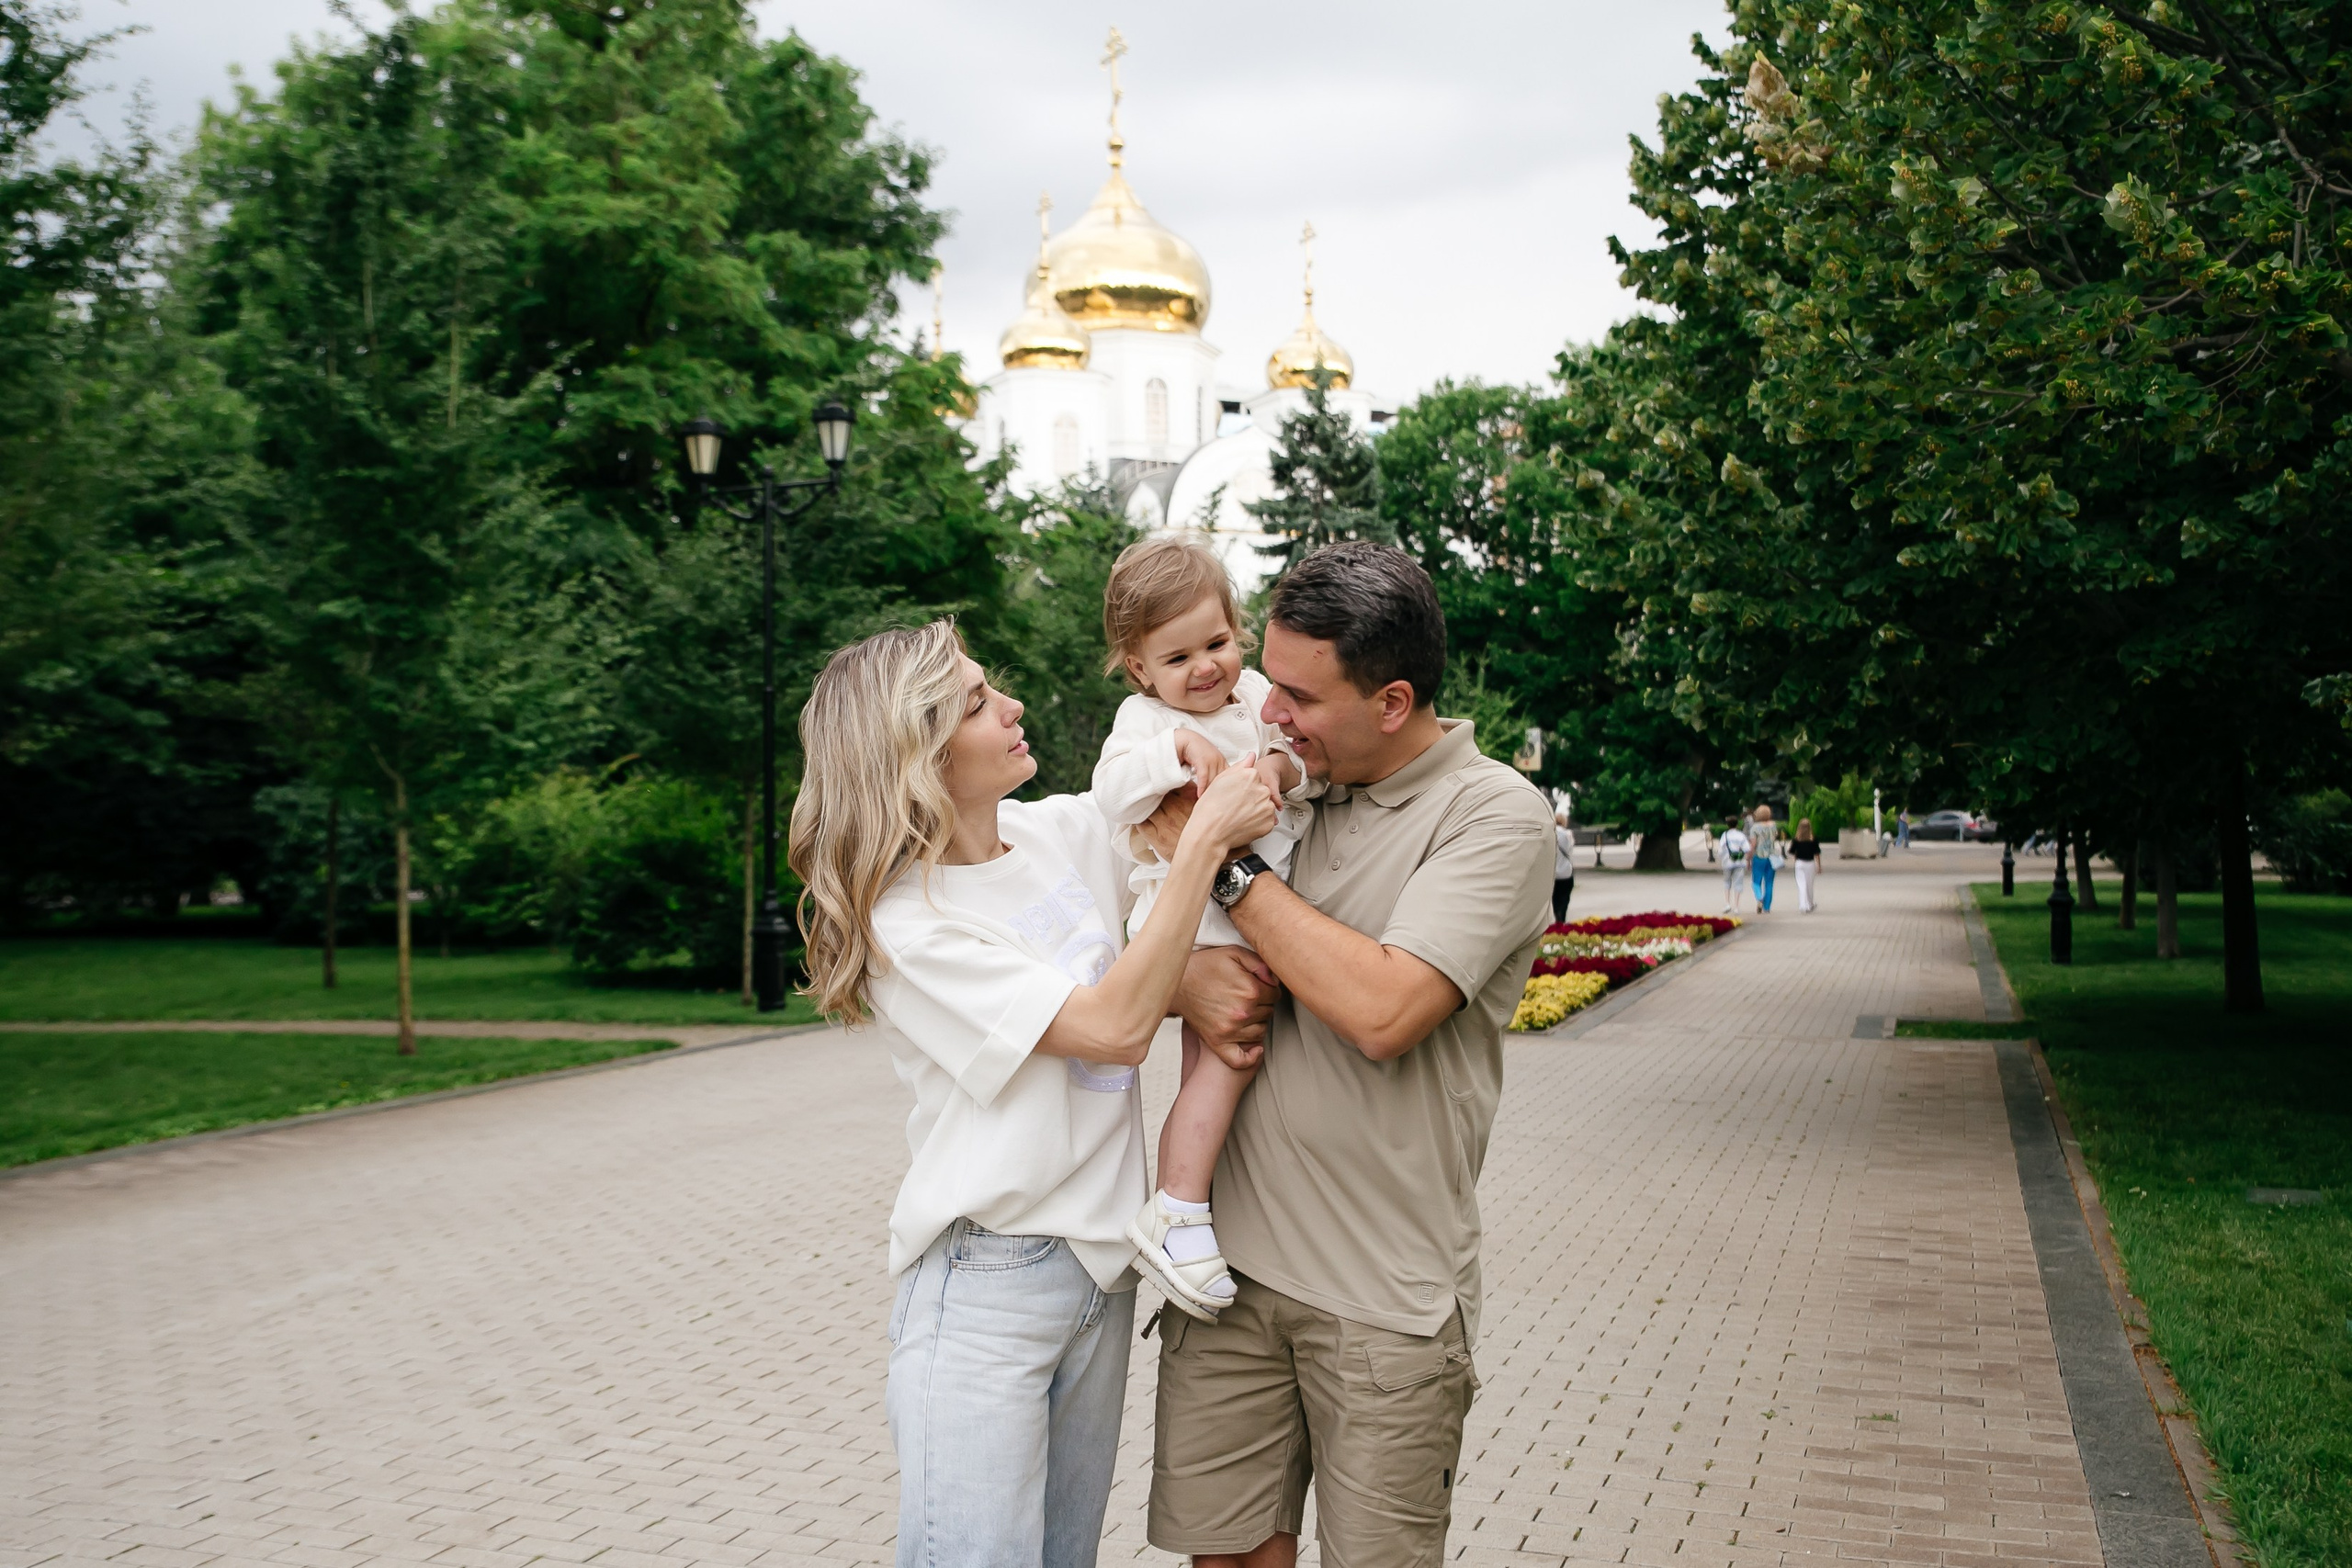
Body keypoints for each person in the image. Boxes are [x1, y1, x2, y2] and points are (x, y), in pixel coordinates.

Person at [786, 620, 1280, 1568]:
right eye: (976, 701)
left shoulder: (1052, 832)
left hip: (1099, 1278)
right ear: (916, 754)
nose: (1010, 707)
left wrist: (1180, 744)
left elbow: (1147, 897)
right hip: (987, 1288)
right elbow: (1111, 1025)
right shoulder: (910, 926)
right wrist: (1200, 850)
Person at [1141, 542, 1555, 1568]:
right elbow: (1133, 946)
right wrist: (1181, 977)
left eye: (1295, 694)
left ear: (1393, 700)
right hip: (1226, 1284)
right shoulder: (1285, 784)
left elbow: (1381, 1008)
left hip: (1383, 1301)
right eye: (1265, 681)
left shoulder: (1491, 815)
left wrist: (1224, 867)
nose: (1265, 711)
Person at [1089, 535, 1318, 1322]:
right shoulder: (1144, 719)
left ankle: (1196, 1206)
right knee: (1227, 1058)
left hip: (1252, 909)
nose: (1205, 668)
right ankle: (1177, 1208)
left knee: (1227, 1062)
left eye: (1216, 643)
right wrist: (1173, 751)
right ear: (1139, 666)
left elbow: (1293, 748)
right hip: (1195, 920)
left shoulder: (1252, 694)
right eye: (1178, 656)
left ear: (1239, 631)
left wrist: (1280, 770)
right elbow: (1111, 790)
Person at [1748, 804, 1781, 913]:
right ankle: (1767, 907)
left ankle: (1759, 897)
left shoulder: (1755, 828)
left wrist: (1748, 858)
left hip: (1759, 856)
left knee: (1756, 881)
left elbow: (1753, 844)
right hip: (1771, 857)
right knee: (1769, 882)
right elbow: (1775, 837)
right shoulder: (1773, 825)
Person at [1790, 817, 1822, 912]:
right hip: (1810, 863)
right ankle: (1810, 903)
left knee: (1801, 884)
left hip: (1799, 863)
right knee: (1809, 884)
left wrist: (1795, 859)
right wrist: (1819, 866)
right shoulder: (1813, 839)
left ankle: (1803, 905)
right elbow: (1817, 853)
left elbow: (1792, 851)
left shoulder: (1796, 839)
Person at [1552, 807, 1577, 923]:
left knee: (1554, 897)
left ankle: (1556, 914)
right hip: (1566, 871)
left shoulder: (1549, 833)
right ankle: (1562, 916)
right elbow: (1570, 849)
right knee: (1564, 897)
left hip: (1552, 873)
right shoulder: (1568, 834)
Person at [1719, 818, 1750, 914]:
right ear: (1737, 824)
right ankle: (1736, 906)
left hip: (1727, 861)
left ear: (1727, 825)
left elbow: (1720, 850)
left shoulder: (1725, 835)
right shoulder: (1741, 835)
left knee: (1727, 882)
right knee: (1738, 883)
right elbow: (1747, 848)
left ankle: (1727, 903)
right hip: (1739, 862)